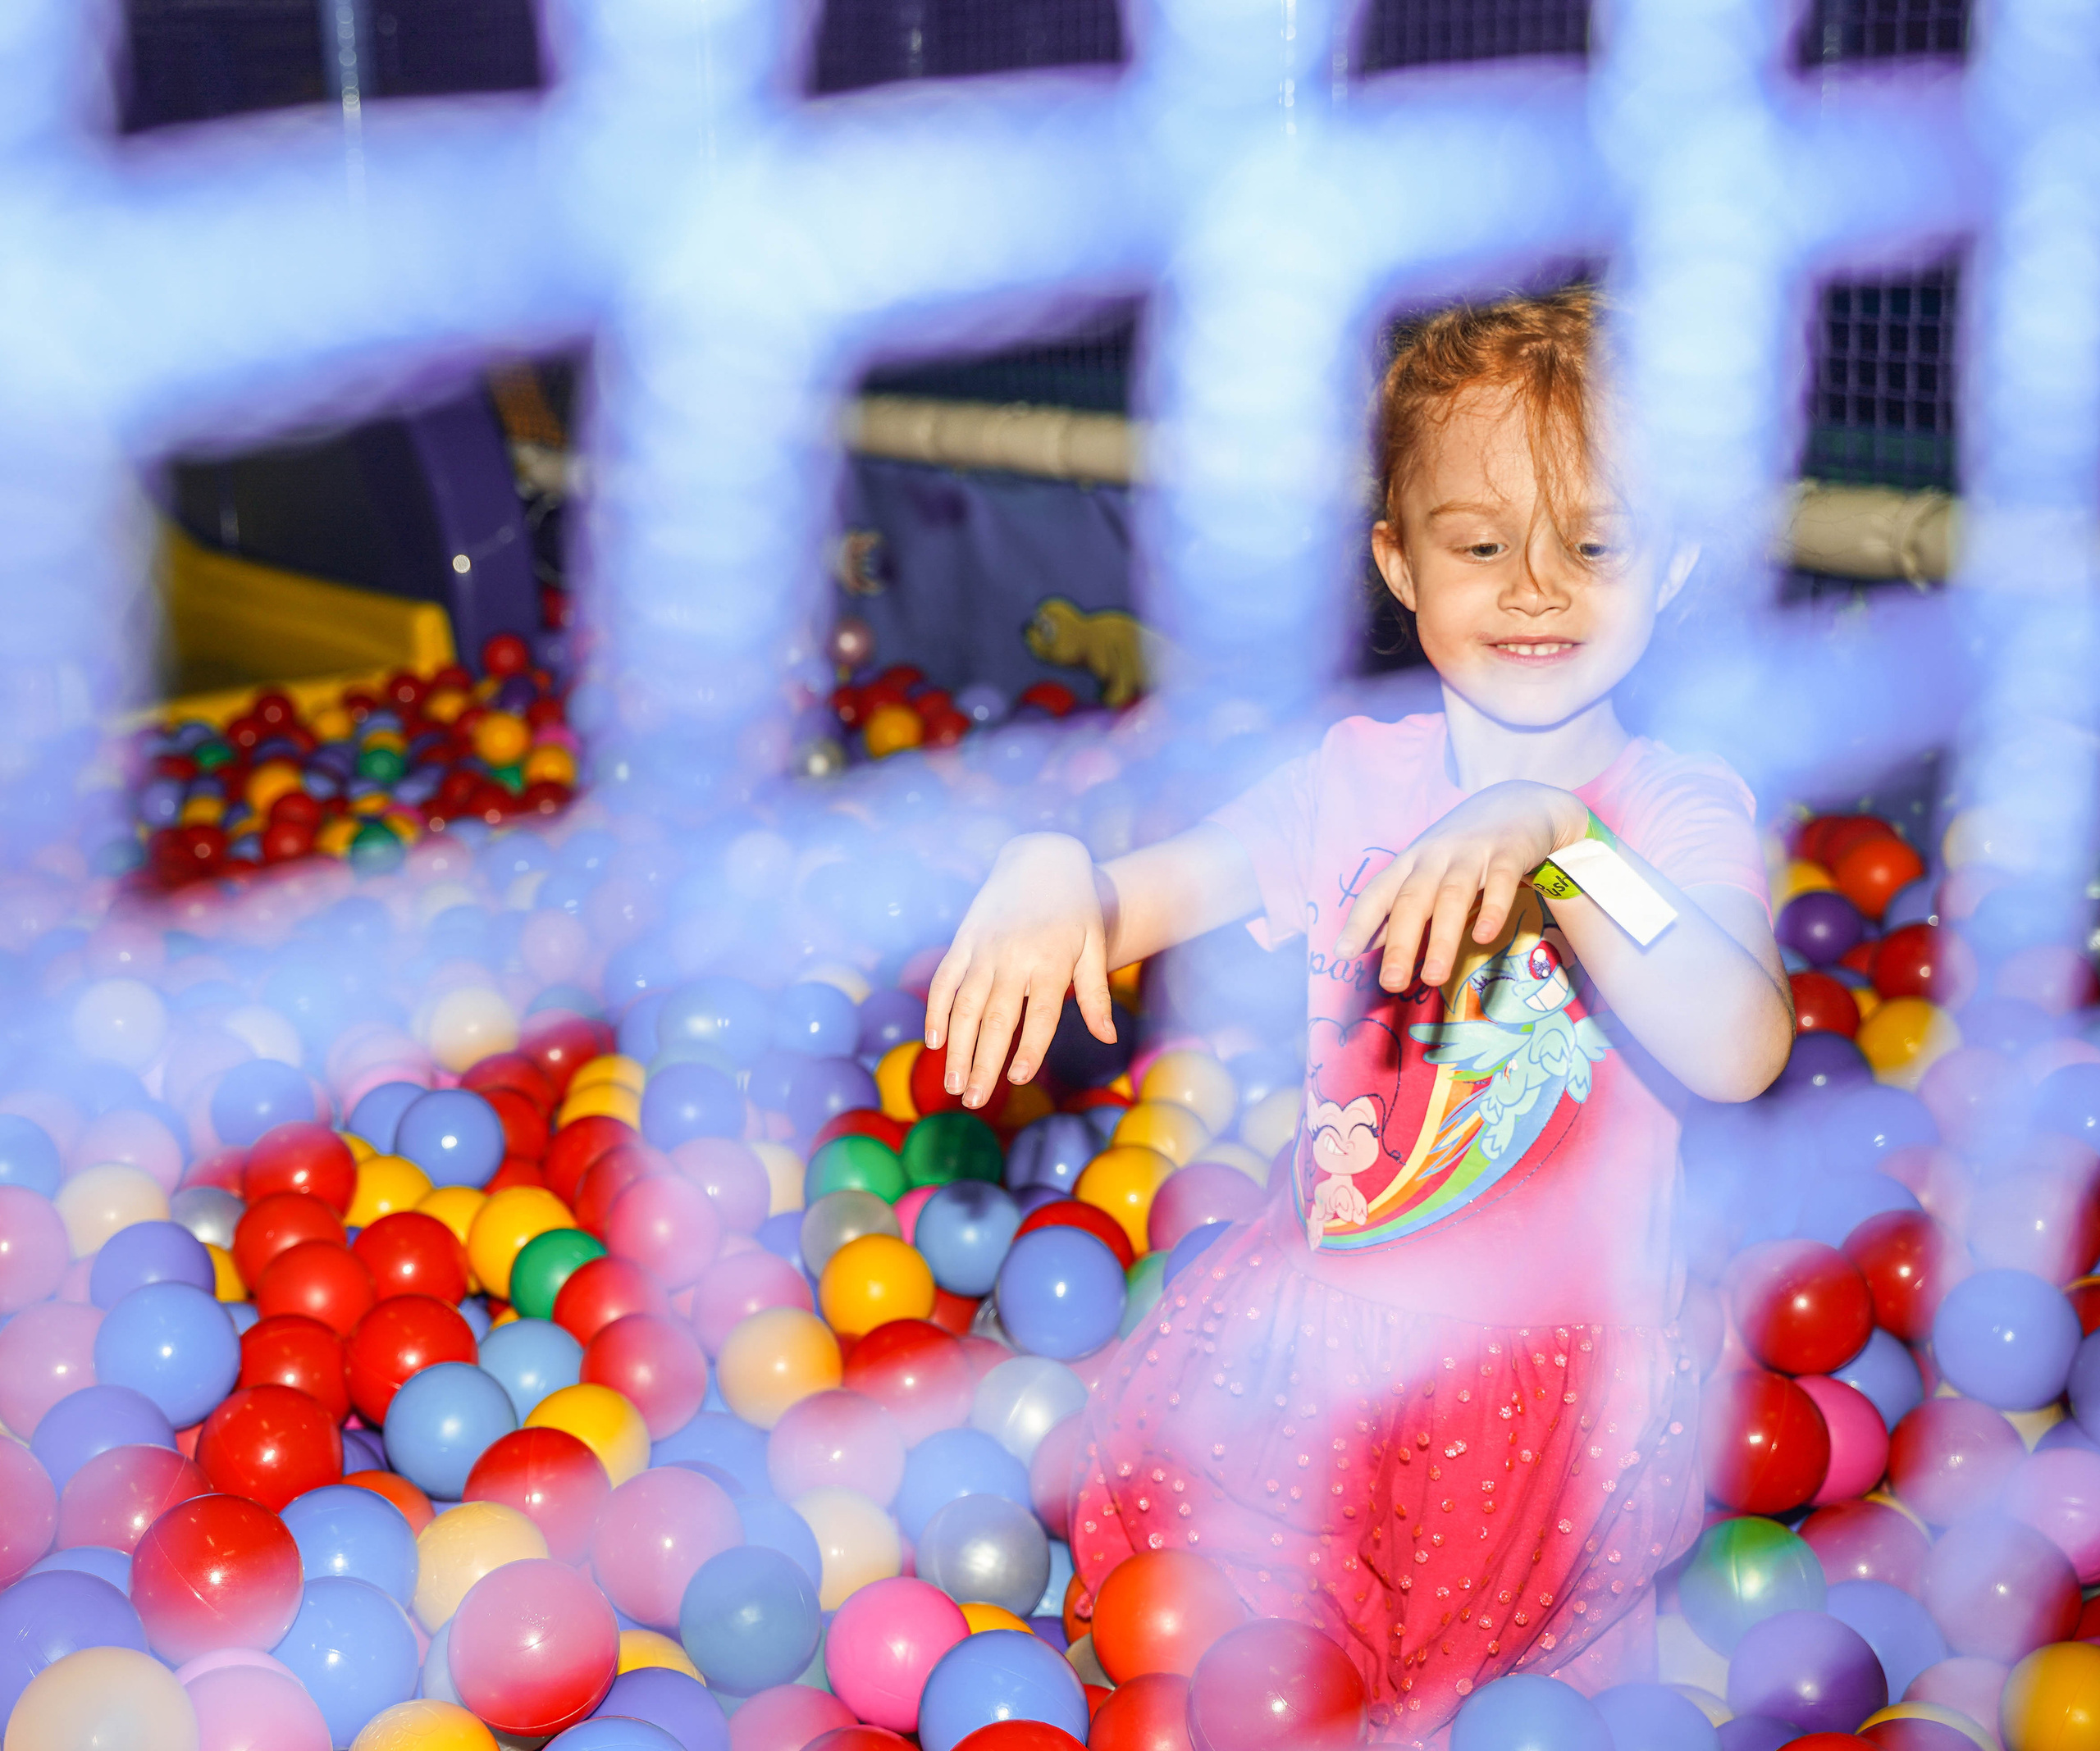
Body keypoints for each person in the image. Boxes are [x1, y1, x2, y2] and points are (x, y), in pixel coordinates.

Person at [923, 287, 1792, 1742]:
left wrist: (1560, 842)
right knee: (1267, 1676)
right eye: (1478, 542)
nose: (1534, 587)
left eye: (1595, 543)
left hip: (1558, 1387)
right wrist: (1054, 870)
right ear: (1398, 560)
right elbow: (1141, 899)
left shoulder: (1673, 813)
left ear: (1679, 560)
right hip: (1333, 1350)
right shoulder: (1354, 783)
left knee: (1520, 1710)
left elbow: (1742, 1037)